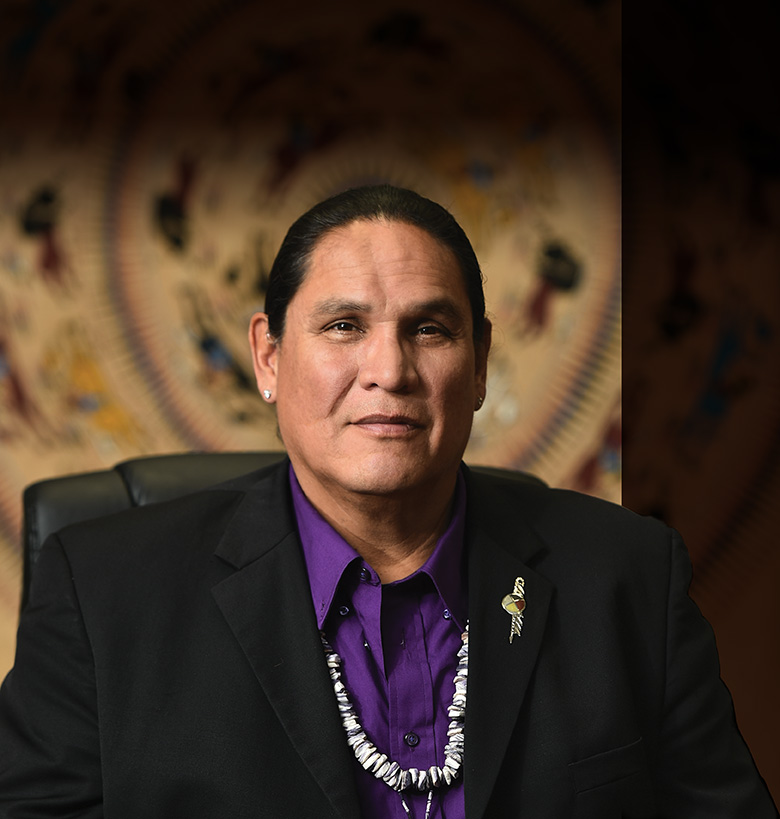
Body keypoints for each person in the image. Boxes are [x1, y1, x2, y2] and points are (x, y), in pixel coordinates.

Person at [0, 185, 776, 819]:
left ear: (479, 364)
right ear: (268, 356)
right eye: (344, 326)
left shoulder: (629, 577)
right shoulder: (105, 594)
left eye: (429, 329)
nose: (390, 370)